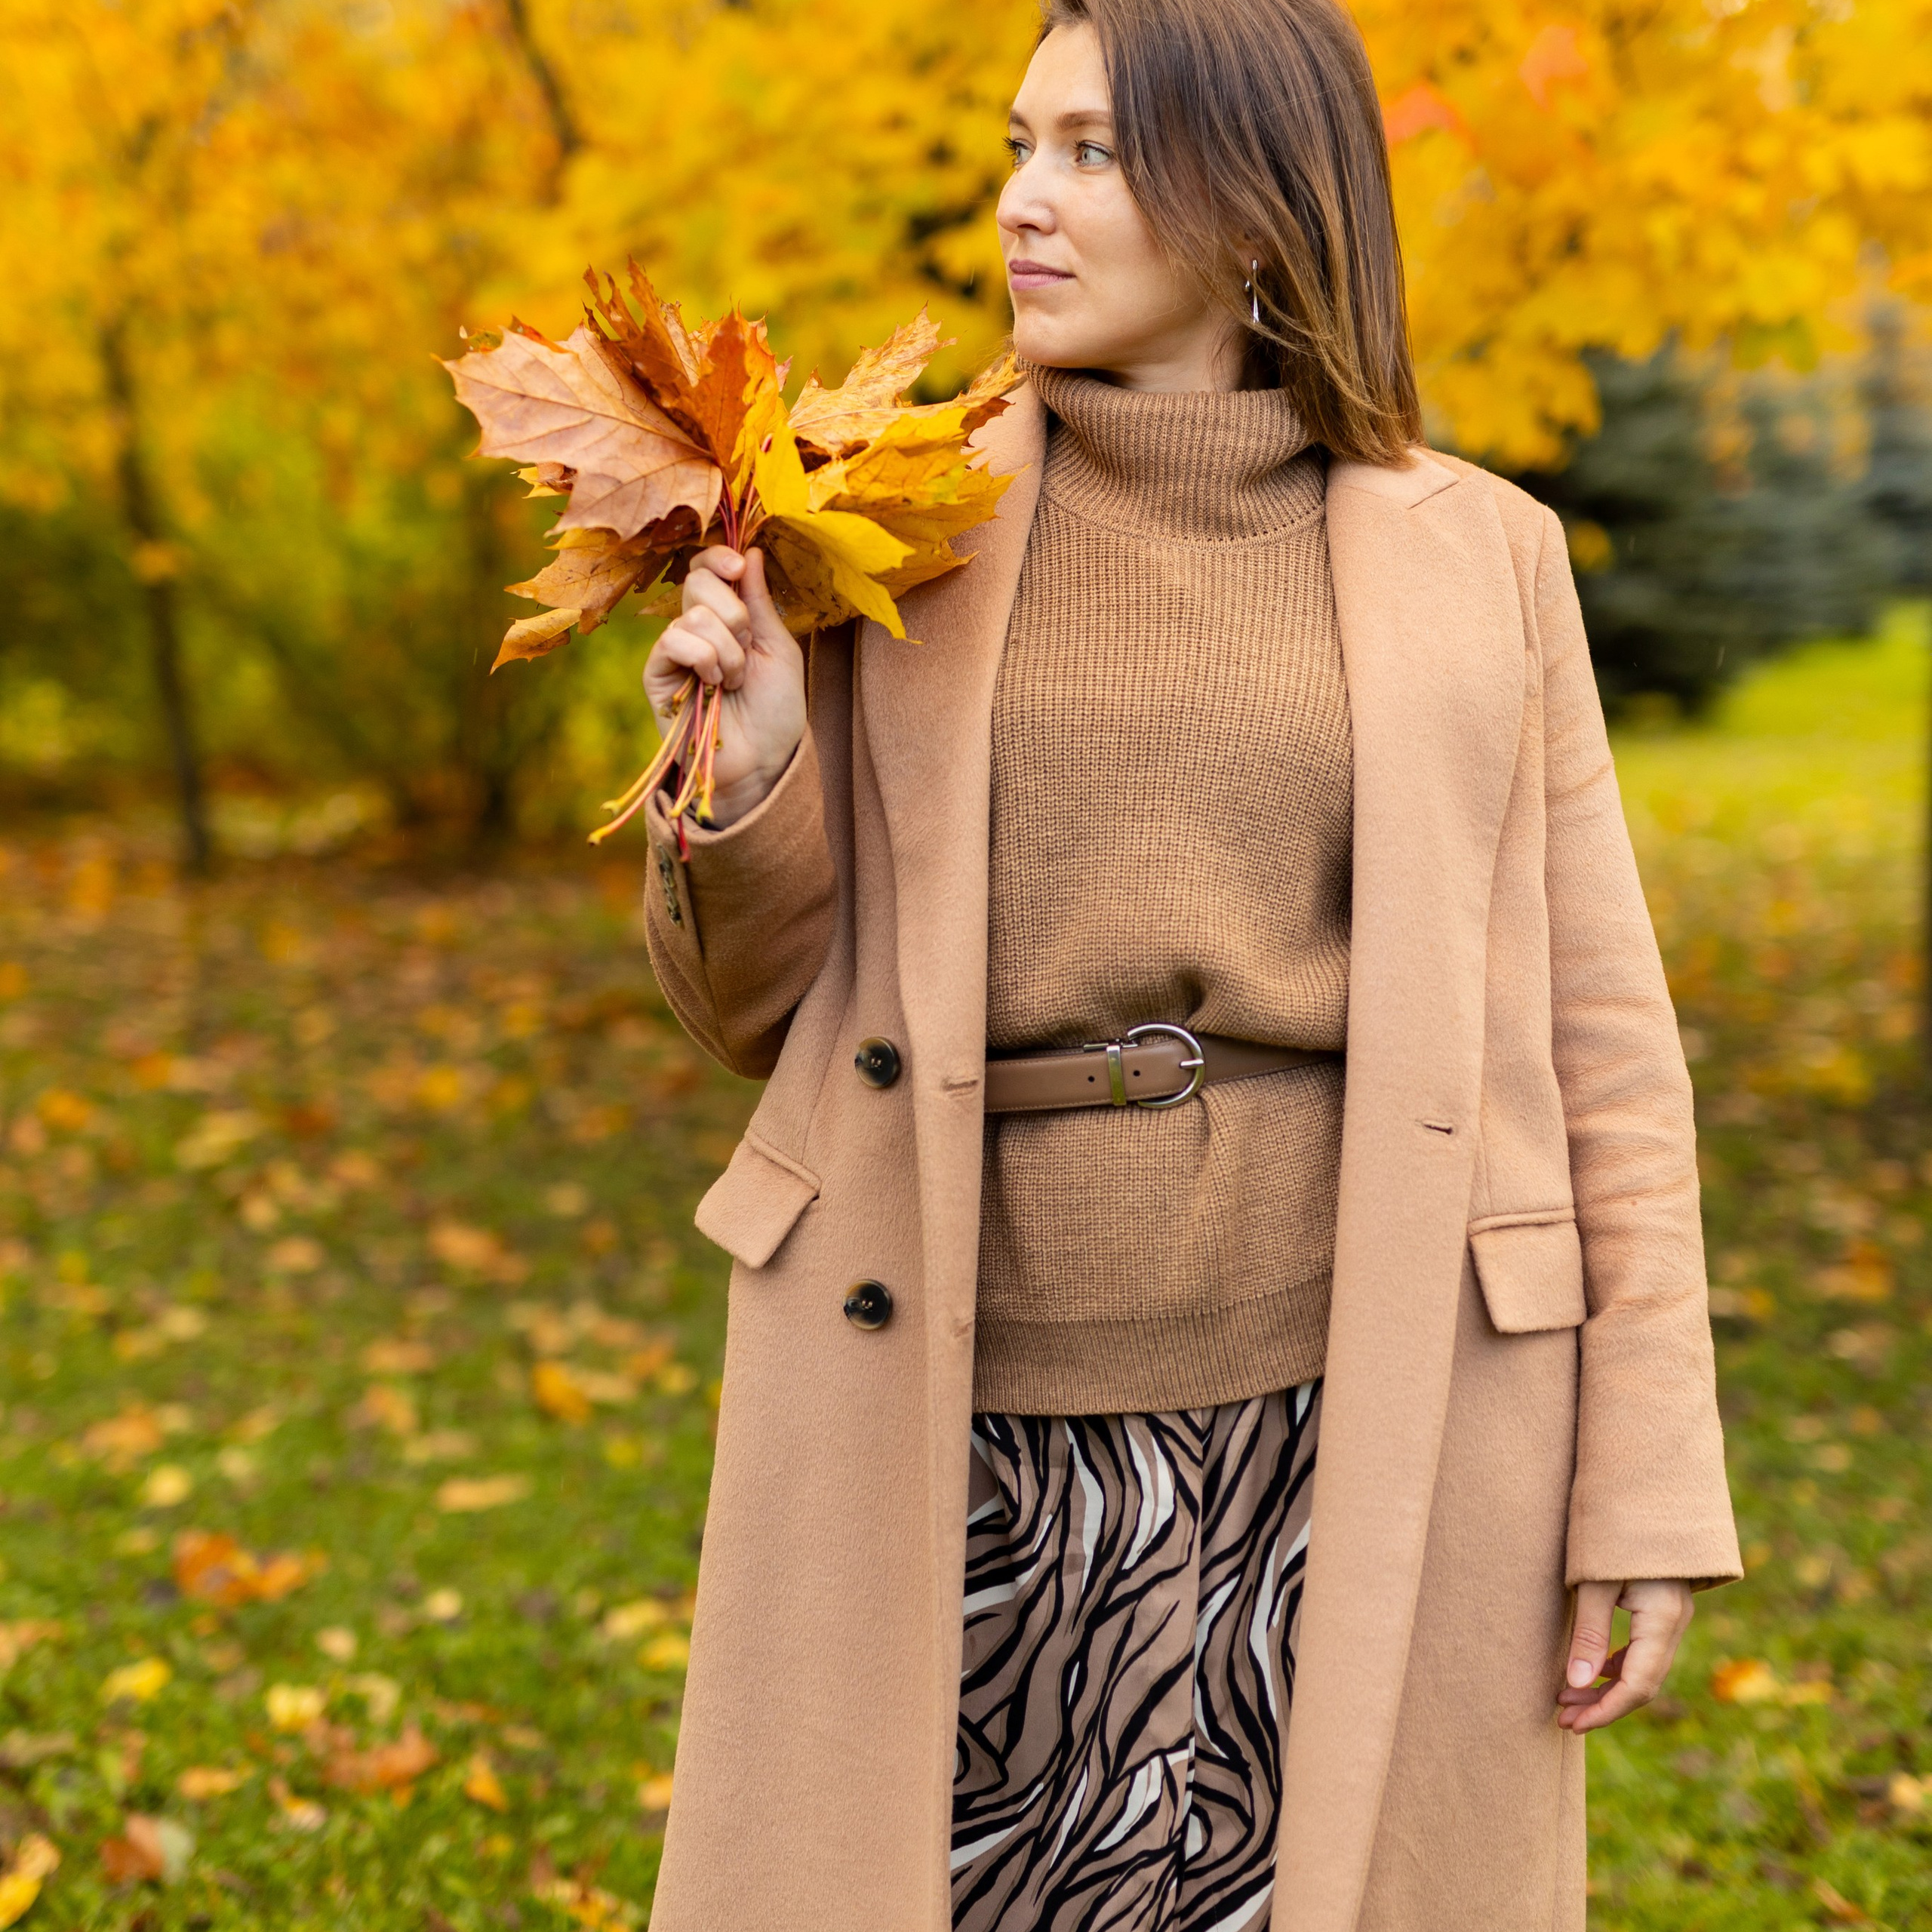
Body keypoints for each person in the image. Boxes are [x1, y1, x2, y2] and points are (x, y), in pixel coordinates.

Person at [635, 1, 1740, 1926]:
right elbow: (746, 1008)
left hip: (1364, 1392)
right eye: (1012, 146)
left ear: (1253, 209)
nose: (1020, 206)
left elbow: (1601, 1046)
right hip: (953, 1402)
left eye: (1090, 153)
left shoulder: (1483, 556)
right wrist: (746, 776)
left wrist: (1641, 1473)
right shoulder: (881, 521)